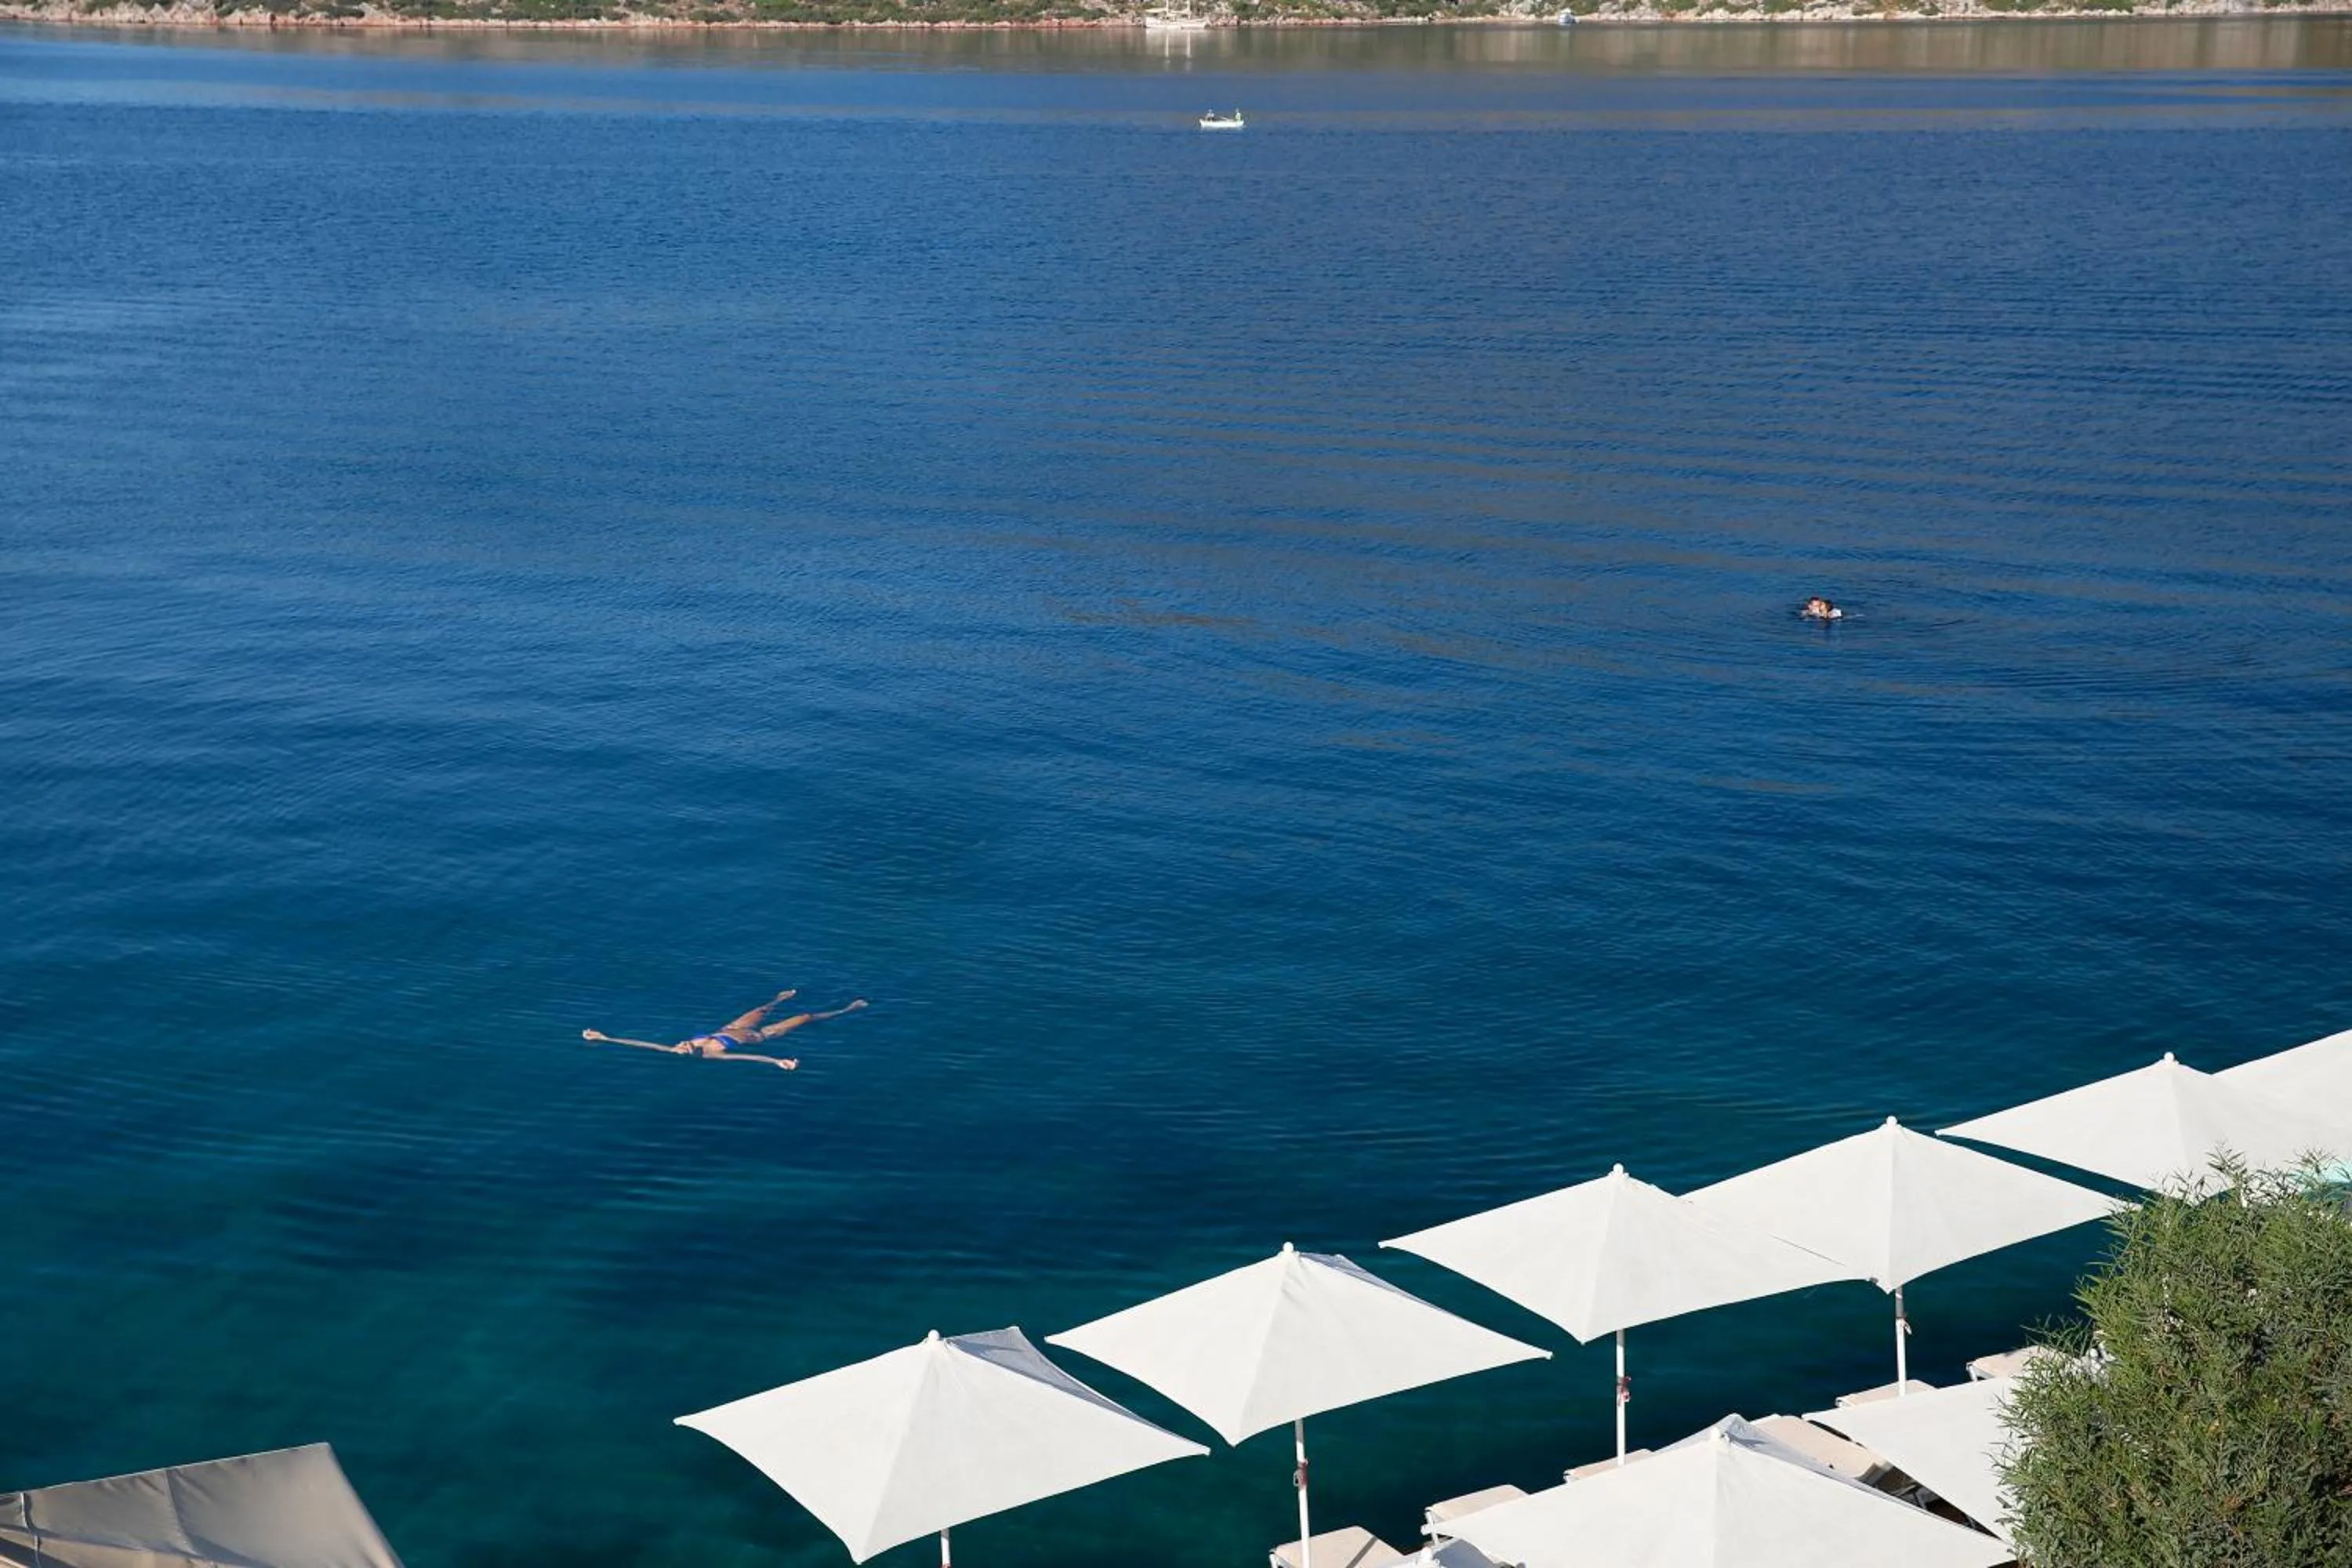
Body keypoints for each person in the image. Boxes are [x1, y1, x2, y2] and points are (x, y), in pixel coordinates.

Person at [583, 990, 869, 1071]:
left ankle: (779, 999)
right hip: (761, 1037)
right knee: (805, 1017)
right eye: (683, 1048)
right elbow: (748, 1059)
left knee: (762, 1008)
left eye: (680, 1045)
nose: (680, 1044)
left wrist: (606, 1038)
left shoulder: (675, 1048)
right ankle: (848, 1010)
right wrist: (777, 1062)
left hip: (734, 1027)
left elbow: (641, 1044)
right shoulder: (712, 1056)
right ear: (691, 1053)